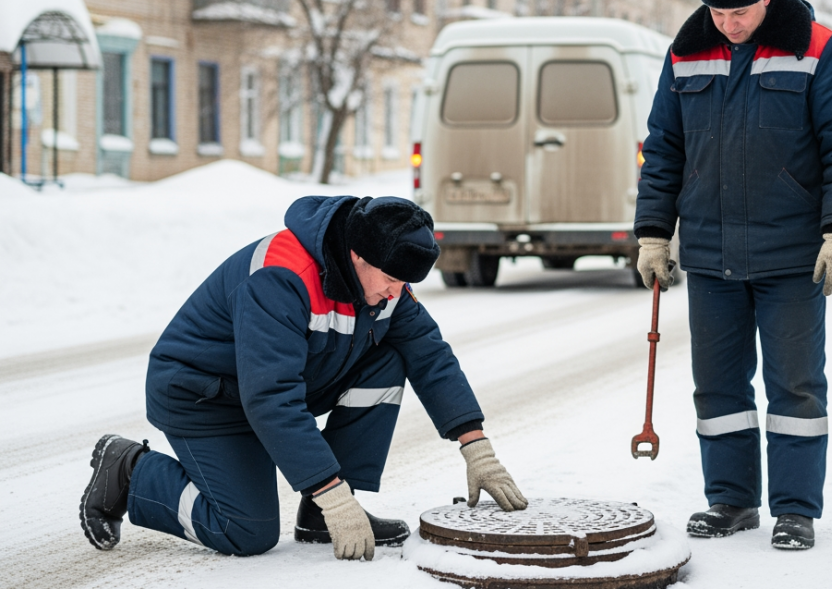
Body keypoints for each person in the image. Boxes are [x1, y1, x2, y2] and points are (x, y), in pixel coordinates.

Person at [80, 195, 527, 561]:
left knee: (388, 360)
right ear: (357, 256)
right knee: (247, 532)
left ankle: (319, 513)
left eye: (405, 284)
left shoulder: (382, 279)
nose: (397, 293)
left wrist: (476, 445)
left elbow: (430, 355)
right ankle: (131, 470)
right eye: (392, 279)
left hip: (271, 387)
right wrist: (332, 490)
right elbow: (271, 397)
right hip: (202, 396)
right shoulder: (280, 276)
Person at [634, 0, 832, 551]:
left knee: (794, 386)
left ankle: (795, 509)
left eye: (740, 12)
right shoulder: (686, 53)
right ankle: (731, 501)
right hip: (712, 256)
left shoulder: (820, 48)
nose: (729, 23)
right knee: (717, 387)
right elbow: (663, 148)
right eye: (718, 12)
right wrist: (653, 233)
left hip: (793, 256)